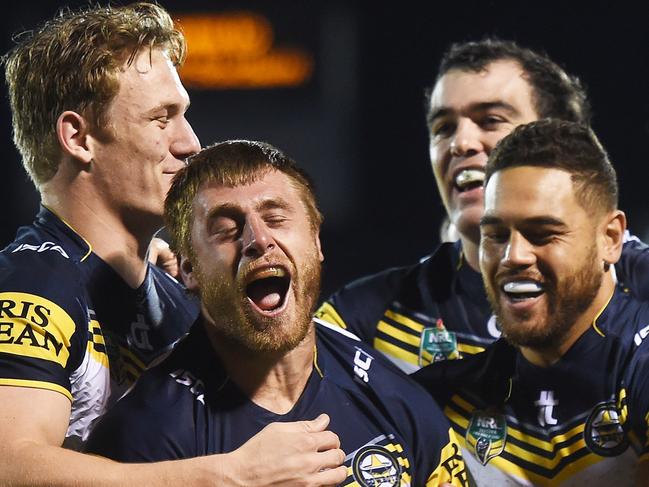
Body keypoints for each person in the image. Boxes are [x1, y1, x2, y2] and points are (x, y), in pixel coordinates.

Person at [0, 3, 346, 485]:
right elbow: (9, 463)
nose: (191, 144)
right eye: (162, 119)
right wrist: (229, 476)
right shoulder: (33, 286)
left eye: (184, 116)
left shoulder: (171, 294)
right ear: (78, 137)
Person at [85, 140, 469, 487]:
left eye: (275, 217)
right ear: (189, 270)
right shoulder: (146, 436)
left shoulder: (397, 401)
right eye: (225, 228)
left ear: (316, 241)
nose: (258, 239)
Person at [315, 38, 649, 373]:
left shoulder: (637, 293)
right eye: (443, 128)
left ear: (559, 140)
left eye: (490, 120)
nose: (460, 143)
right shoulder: (370, 315)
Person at [414, 119, 649, 485]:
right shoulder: (437, 398)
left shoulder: (640, 364)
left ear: (610, 238)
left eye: (542, 234)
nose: (513, 255)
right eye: (496, 234)